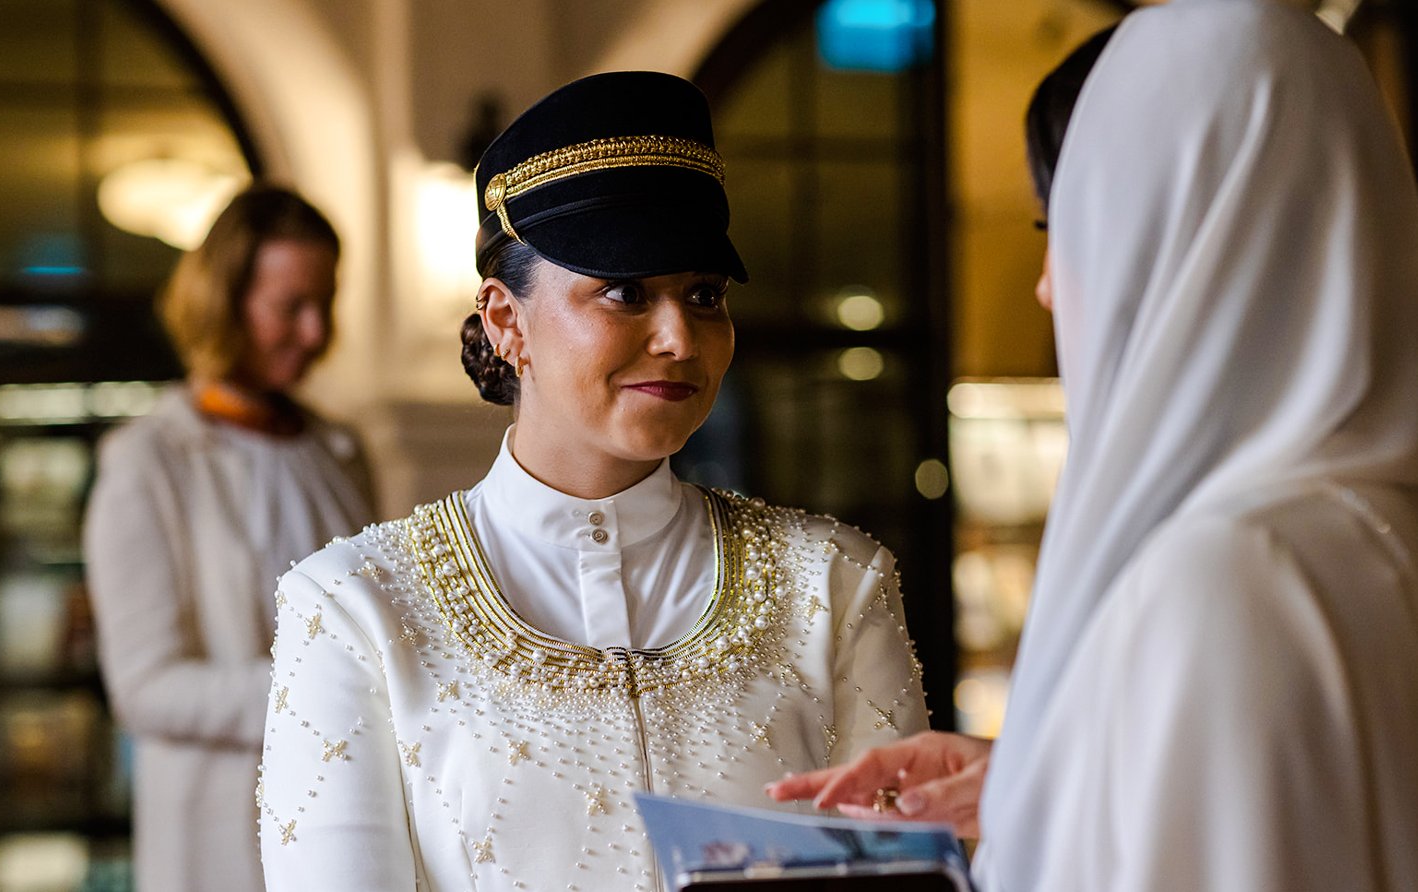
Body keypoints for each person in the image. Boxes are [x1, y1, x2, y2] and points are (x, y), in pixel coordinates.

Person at [768, 2, 1418, 890]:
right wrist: (1055, 776)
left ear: (1172, 234)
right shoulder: (1374, 522)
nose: (1045, 286)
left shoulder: (1224, 577)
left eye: (1066, 224)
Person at [256, 71, 928, 891]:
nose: (679, 336)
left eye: (704, 294)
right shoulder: (356, 605)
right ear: (507, 320)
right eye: (624, 293)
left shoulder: (833, 581)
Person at [83, 185, 376, 892]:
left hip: (353, 817)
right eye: (291, 307)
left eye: (324, 304)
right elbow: (145, 688)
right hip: (219, 843)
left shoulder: (340, 449)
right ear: (225, 302)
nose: (315, 333)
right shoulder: (150, 457)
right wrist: (325, 693)